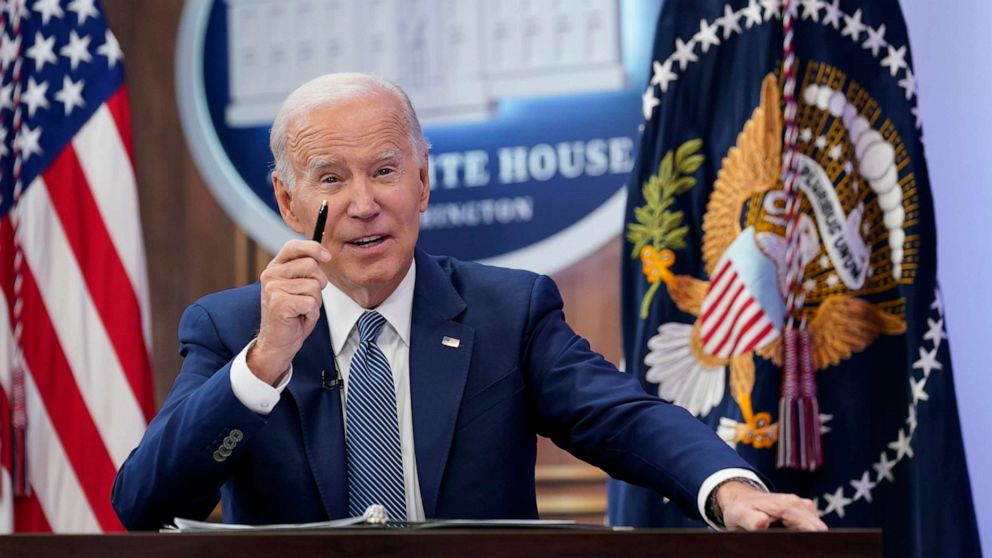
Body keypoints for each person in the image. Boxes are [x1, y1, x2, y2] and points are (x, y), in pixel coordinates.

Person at [111, 73, 825, 532]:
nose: (363, 204)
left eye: (386, 170)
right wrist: (263, 364)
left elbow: (622, 417)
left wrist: (728, 488)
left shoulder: (506, 313)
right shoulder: (230, 328)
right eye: (331, 178)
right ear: (287, 202)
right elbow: (142, 503)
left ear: (423, 183)